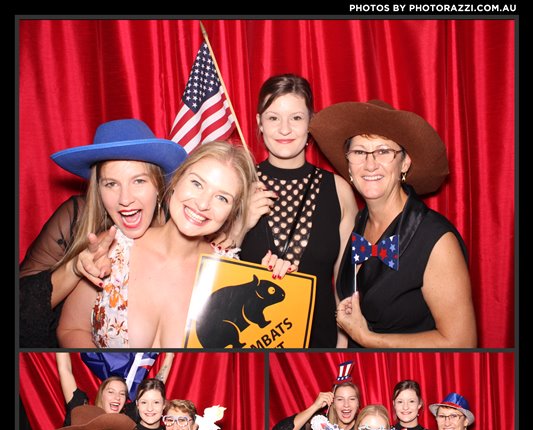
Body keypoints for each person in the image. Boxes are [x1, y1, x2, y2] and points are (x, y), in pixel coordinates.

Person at [309, 100, 477, 348]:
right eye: (359, 152)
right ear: (349, 165)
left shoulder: (436, 240)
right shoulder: (360, 222)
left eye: (384, 151)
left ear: (404, 163)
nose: (370, 164)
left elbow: (462, 342)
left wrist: (368, 338)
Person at [56, 141, 257, 348]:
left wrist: (277, 281)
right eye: (197, 184)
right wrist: (104, 365)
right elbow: (72, 329)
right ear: (176, 180)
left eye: (222, 198)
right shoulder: (114, 250)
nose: (203, 204)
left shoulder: (231, 274)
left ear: (231, 212)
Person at [20, 119, 188, 347]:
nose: (125, 199)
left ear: (159, 185)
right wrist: (74, 269)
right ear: (97, 188)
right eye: (111, 184)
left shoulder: (180, 227)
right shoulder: (74, 217)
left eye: (139, 181)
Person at [238, 74, 357, 348]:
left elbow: (345, 285)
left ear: (310, 122)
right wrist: (242, 224)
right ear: (260, 123)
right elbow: (211, 268)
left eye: (296, 117)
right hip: (251, 345)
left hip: (320, 345)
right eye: (273, 118)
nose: (284, 129)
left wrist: (341, 347)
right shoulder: (238, 184)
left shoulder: (339, 190)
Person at [55, 352, 175, 424]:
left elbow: (155, 389)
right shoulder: (81, 411)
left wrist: (169, 356)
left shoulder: (128, 417)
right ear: (101, 394)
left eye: (122, 393)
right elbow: (64, 369)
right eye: (111, 392)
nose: (117, 397)